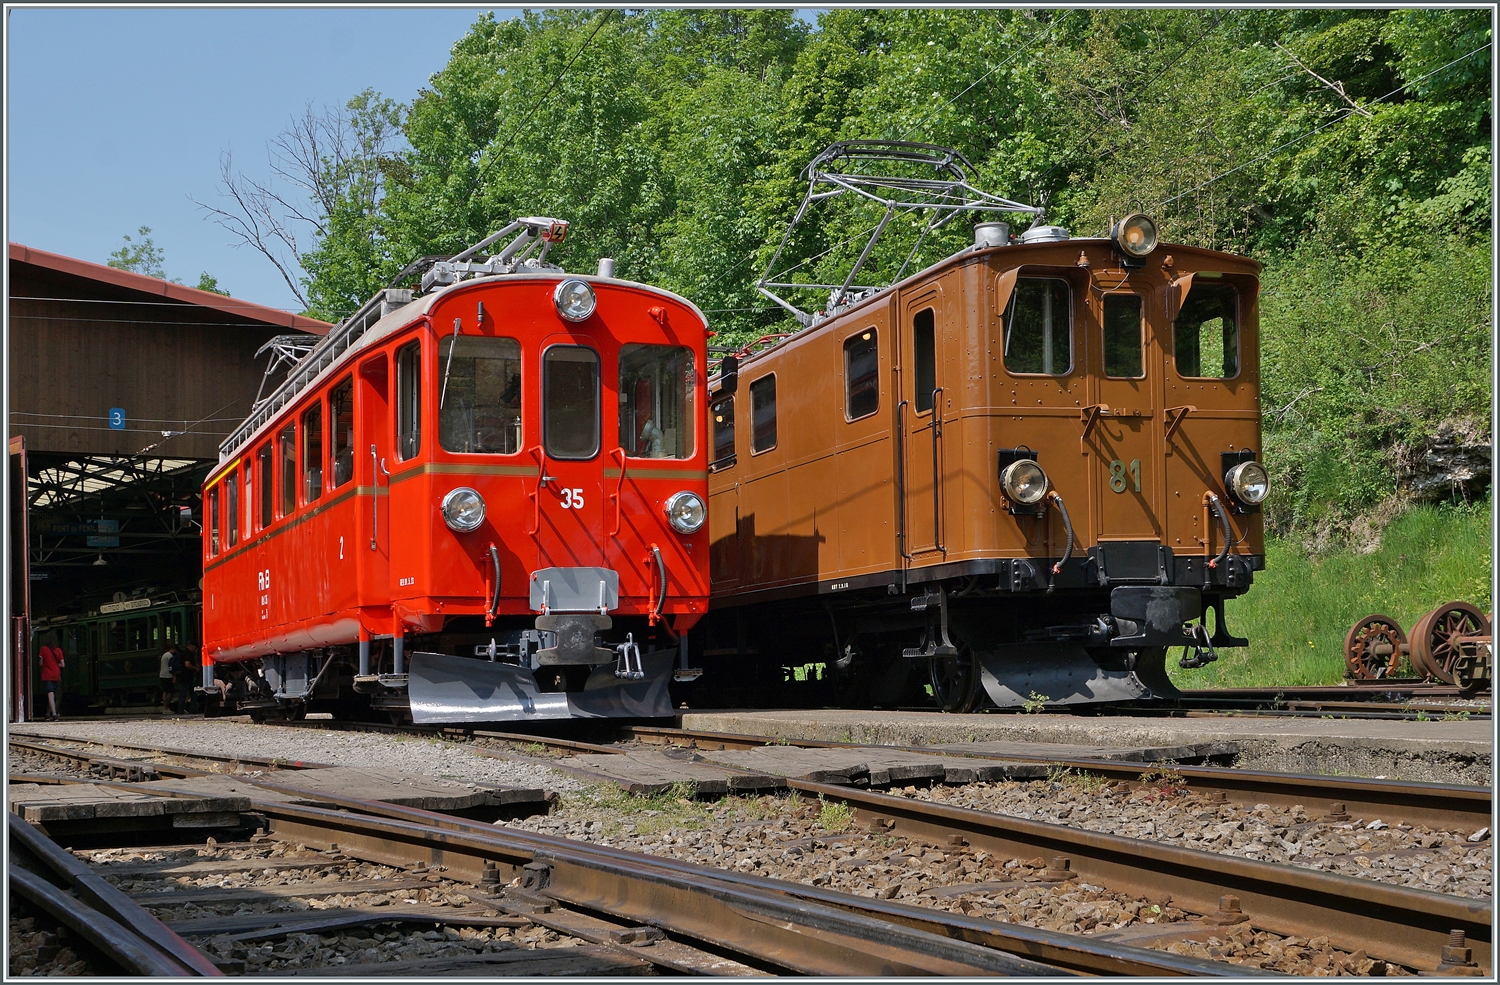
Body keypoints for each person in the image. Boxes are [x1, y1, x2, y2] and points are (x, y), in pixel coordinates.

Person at [38, 636, 65, 721]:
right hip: (56, 674)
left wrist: (47, 664)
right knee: (52, 695)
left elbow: (41, 663)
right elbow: (62, 664)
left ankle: (54, 714)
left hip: (47, 675)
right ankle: (47, 714)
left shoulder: (43, 649)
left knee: (50, 694)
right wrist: (55, 666)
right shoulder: (58, 650)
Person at [175, 644, 201, 716]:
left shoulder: (183, 653)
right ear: (192, 646)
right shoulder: (188, 654)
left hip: (183, 676)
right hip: (187, 676)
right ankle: (191, 709)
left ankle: (181, 709)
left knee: (183, 694)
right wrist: (195, 668)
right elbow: (187, 664)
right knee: (191, 693)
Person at [160, 643, 178, 713]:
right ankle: (166, 707)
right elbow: (172, 667)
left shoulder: (164, 655)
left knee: (165, 691)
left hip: (162, 675)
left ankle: (165, 708)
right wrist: (174, 676)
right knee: (170, 692)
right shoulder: (170, 656)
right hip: (168, 675)